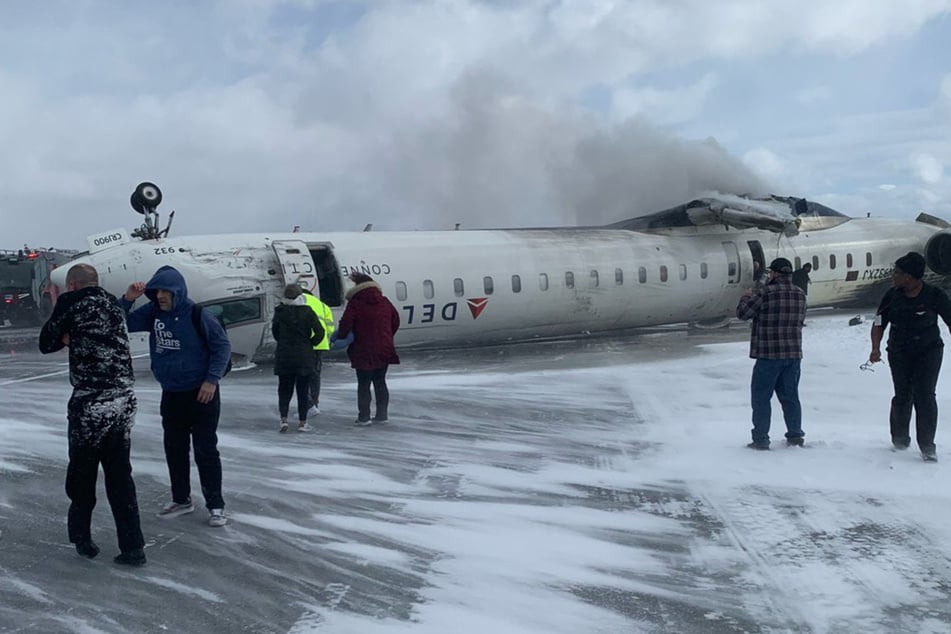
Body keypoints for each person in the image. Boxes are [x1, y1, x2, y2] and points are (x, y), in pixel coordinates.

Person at [38, 263, 146, 565]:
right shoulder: (112, 303)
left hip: (91, 403)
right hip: (124, 400)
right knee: (120, 476)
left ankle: (81, 538)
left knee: (83, 474)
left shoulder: (72, 303)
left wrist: (61, 323)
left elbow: (45, 343)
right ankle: (133, 547)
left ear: (72, 285)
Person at [120, 266, 231, 526]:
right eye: (156, 290)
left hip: (202, 393)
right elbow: (122, 322)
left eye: (165, 291)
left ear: (177, 292)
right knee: (174, 448)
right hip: (172, 393)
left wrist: (211, 380)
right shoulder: (153, 313)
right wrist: (128, 299)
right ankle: (181, 499)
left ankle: (216, 505)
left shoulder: (197, 314)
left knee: (205, 450)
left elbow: (222, 346)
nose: (160, 295)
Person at [869, 252, 951, 462]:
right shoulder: (891, 295)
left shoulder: (934, 295)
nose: (893, 276)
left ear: (910, 277)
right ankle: (899, 441)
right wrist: (875, 348)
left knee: (925, 396)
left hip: (928, 351)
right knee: (902, 395)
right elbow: (879, 323)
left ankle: (927, 447)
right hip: (899, 352)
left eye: (897, 273)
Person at [736, 257, 807, 449]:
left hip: (768, 355)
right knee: (791, 397)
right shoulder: (800, 294)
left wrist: (745, 296)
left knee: (761, 399)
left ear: (774, 273)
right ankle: (795, 436)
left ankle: (761, 439)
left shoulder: (765, 293)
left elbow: (743, 314)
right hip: (793, 355)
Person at [334, 272, 400, 425]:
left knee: (364, 384)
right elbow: (395, 320)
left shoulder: (356, 303)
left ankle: (364, 417)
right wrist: (387, 336)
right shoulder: (384, 301)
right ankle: (382, 415)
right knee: (380, 381)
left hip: (363, 349)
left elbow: (345, 323)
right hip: (384, 348)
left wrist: (342, 336)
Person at [272, 284, 324, 432]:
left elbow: (275, 332)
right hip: (304, 356)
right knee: (302, 390)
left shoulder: (280, 312)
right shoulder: (308, 312)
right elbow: (319, 332)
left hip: (284, 355)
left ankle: (284, 420)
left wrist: (283, 342)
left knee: (284, 390)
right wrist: (310, 343)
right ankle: (302, 422)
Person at [301, 288, 335, 417]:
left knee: (302, 375)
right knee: (315, 376)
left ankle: (307, 404)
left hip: (304, 344)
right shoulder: (323, 305)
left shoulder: (300, 303)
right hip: (320, 344)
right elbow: (330, 327)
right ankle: (314, 402)